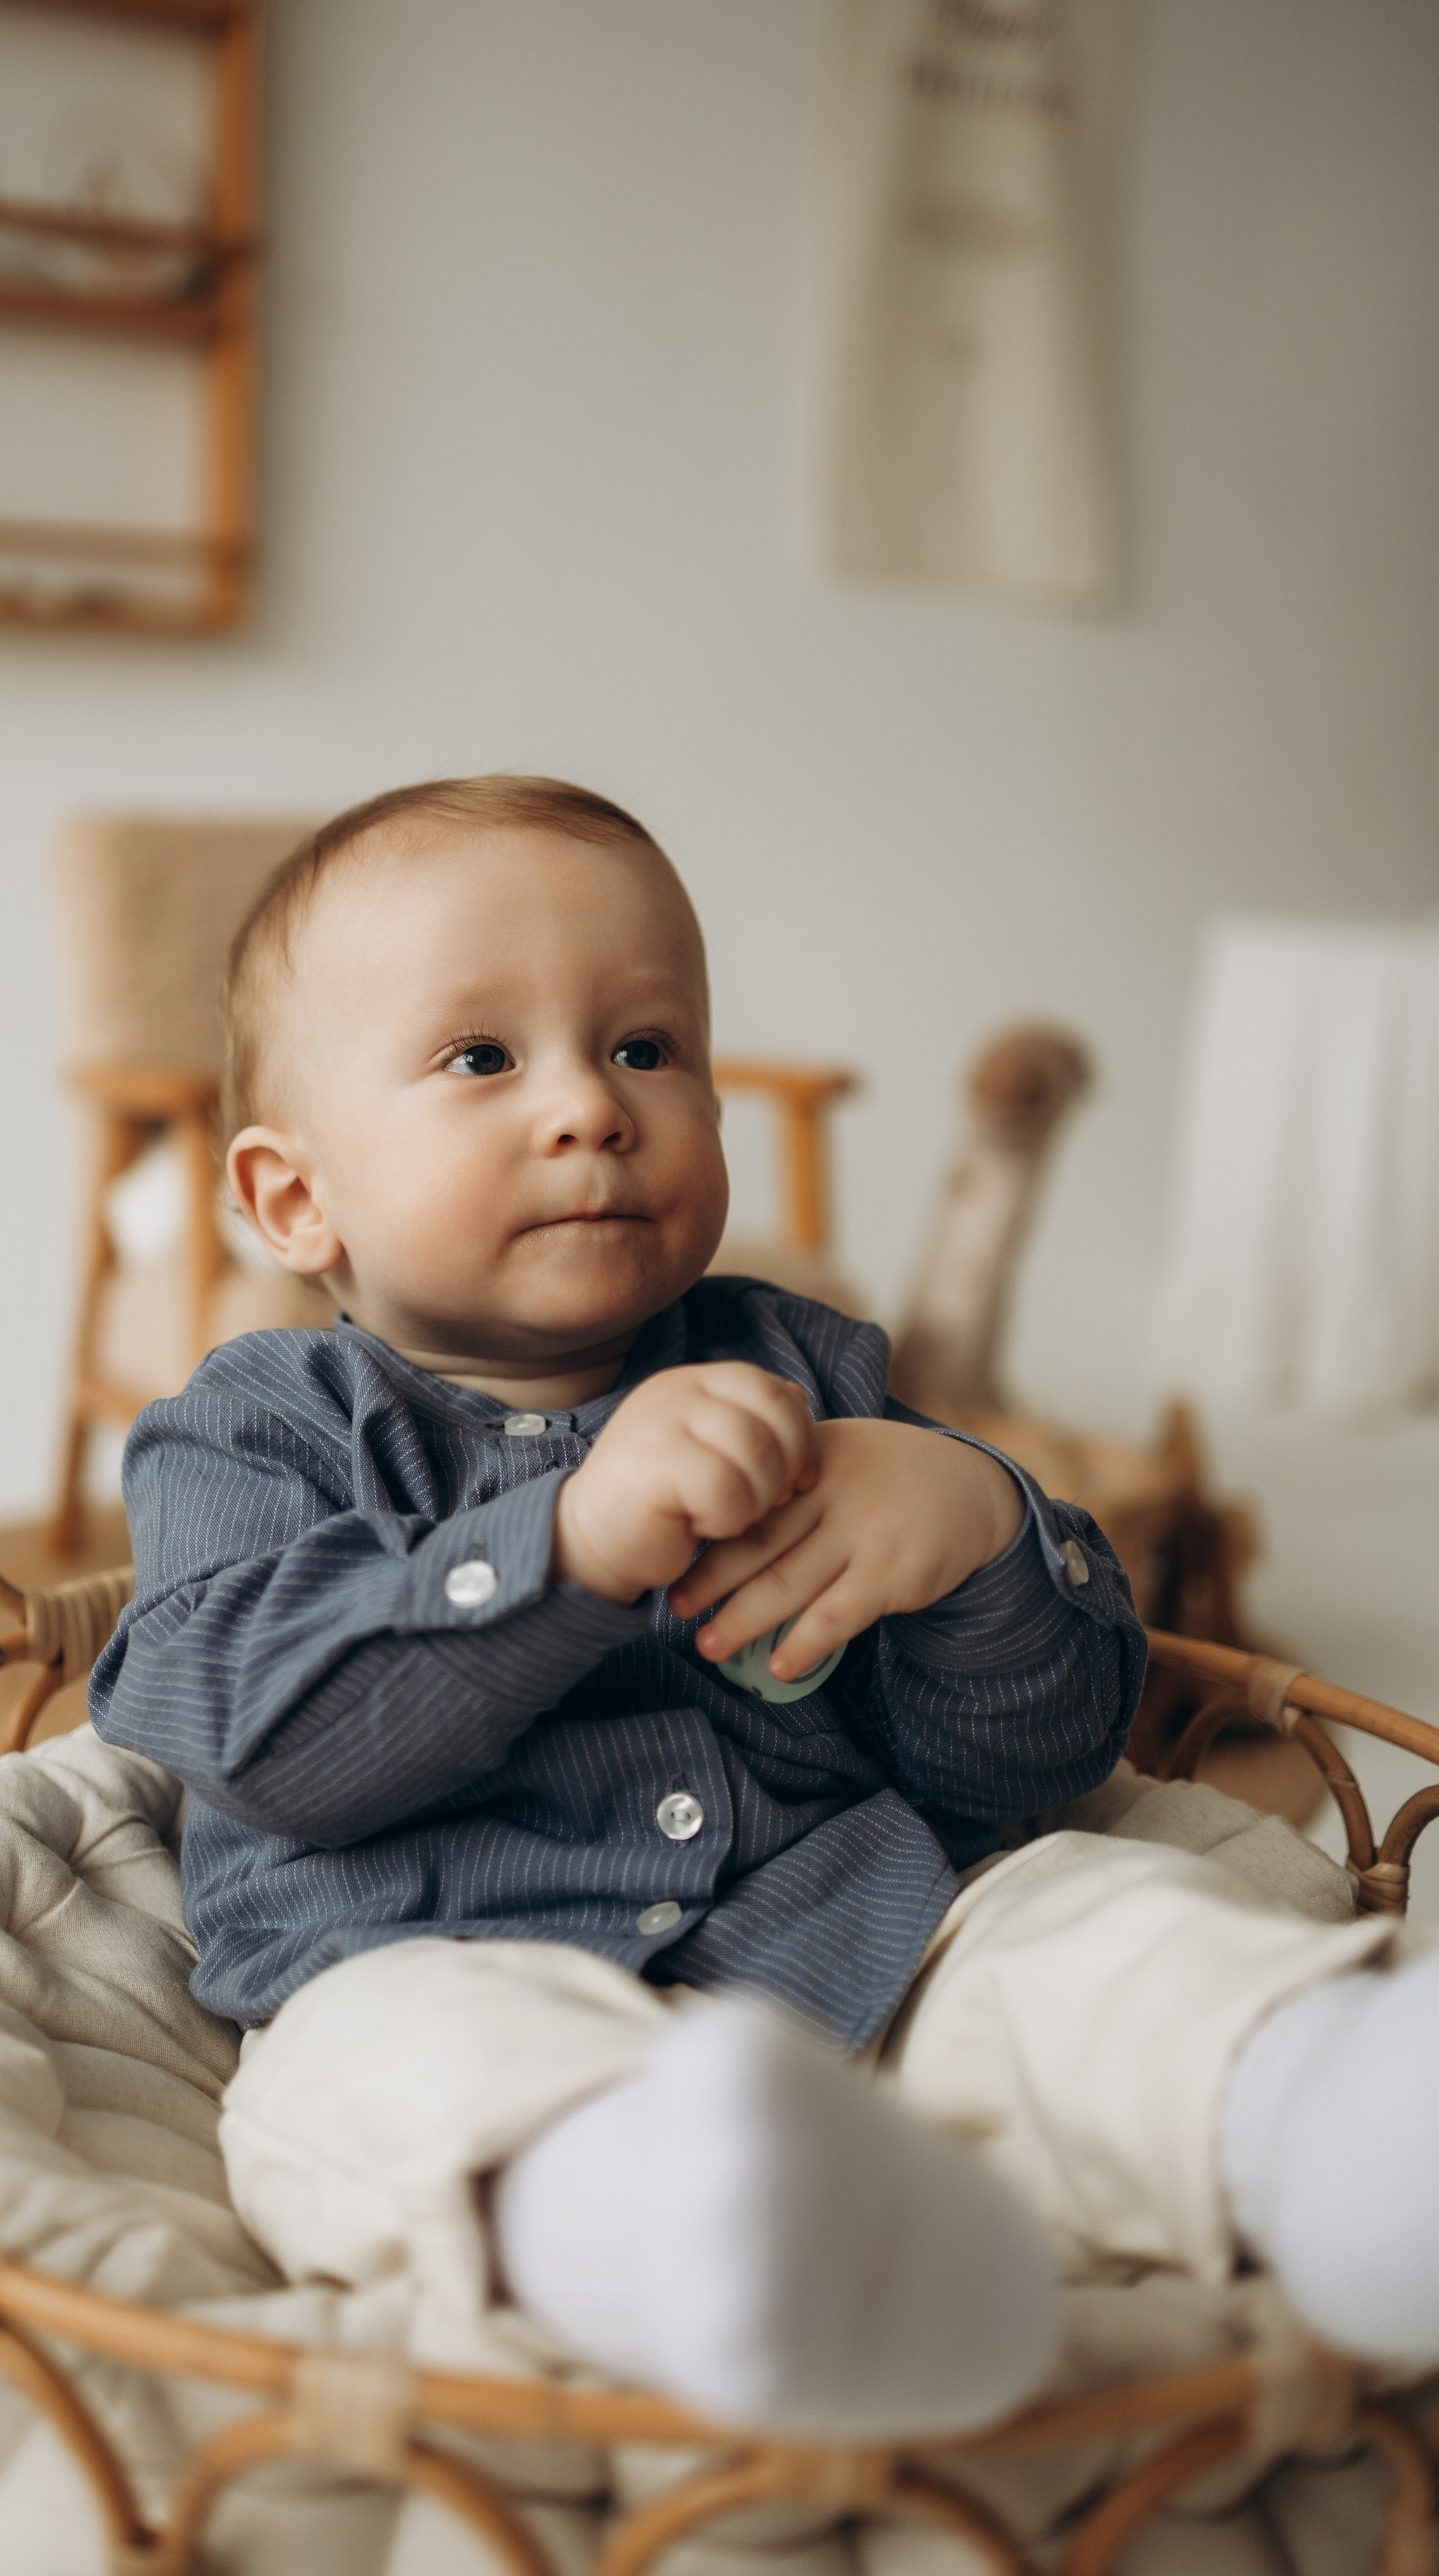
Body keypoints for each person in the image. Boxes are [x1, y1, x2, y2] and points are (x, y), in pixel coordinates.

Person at [90, 776, 1437, 2436]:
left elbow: (1023, 1764)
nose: (589, 1106)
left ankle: (1324, 2122)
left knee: (1079, 1920)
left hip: (862, 1943)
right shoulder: (256, 1426)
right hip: (425, 1960)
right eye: (482, 1057)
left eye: (643, 1046)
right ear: (297, 1200)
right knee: (364, 2097)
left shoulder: (804, 1375)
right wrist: (565, 1543)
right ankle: (725, 2251)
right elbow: (246, 1731)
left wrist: (977, 1531)